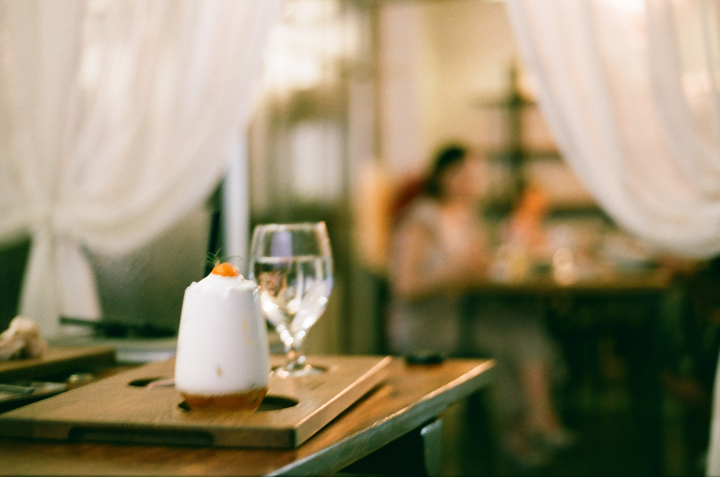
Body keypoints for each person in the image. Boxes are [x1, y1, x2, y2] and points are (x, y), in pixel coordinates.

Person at [386, 144, 572, 467]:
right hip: (431, 325)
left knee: (520, 322)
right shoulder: (422, 218)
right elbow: (405, 285)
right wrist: (456, 272)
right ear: (442, 176)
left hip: (465, 313)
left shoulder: (467, 215)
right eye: (462, 174)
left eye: (474, 175)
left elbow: (479, 264)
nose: (470, 182)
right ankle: (530, 425)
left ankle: (526, 427)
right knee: (517, 330)